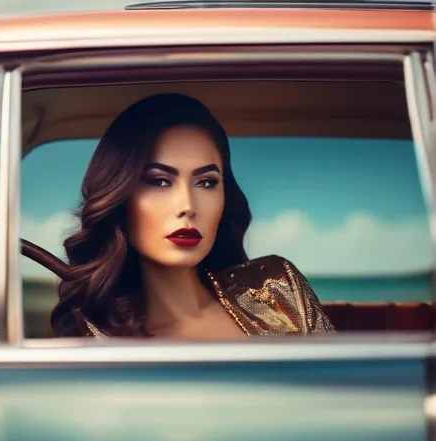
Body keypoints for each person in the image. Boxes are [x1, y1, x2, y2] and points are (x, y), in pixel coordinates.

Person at [47, 93, 334, 340]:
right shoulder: (96, 341)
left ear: (225, 196)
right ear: (120, 196)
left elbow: (350, 396)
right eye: (160, 181)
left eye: (206, 182)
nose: (187, 205)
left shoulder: (277, 289)